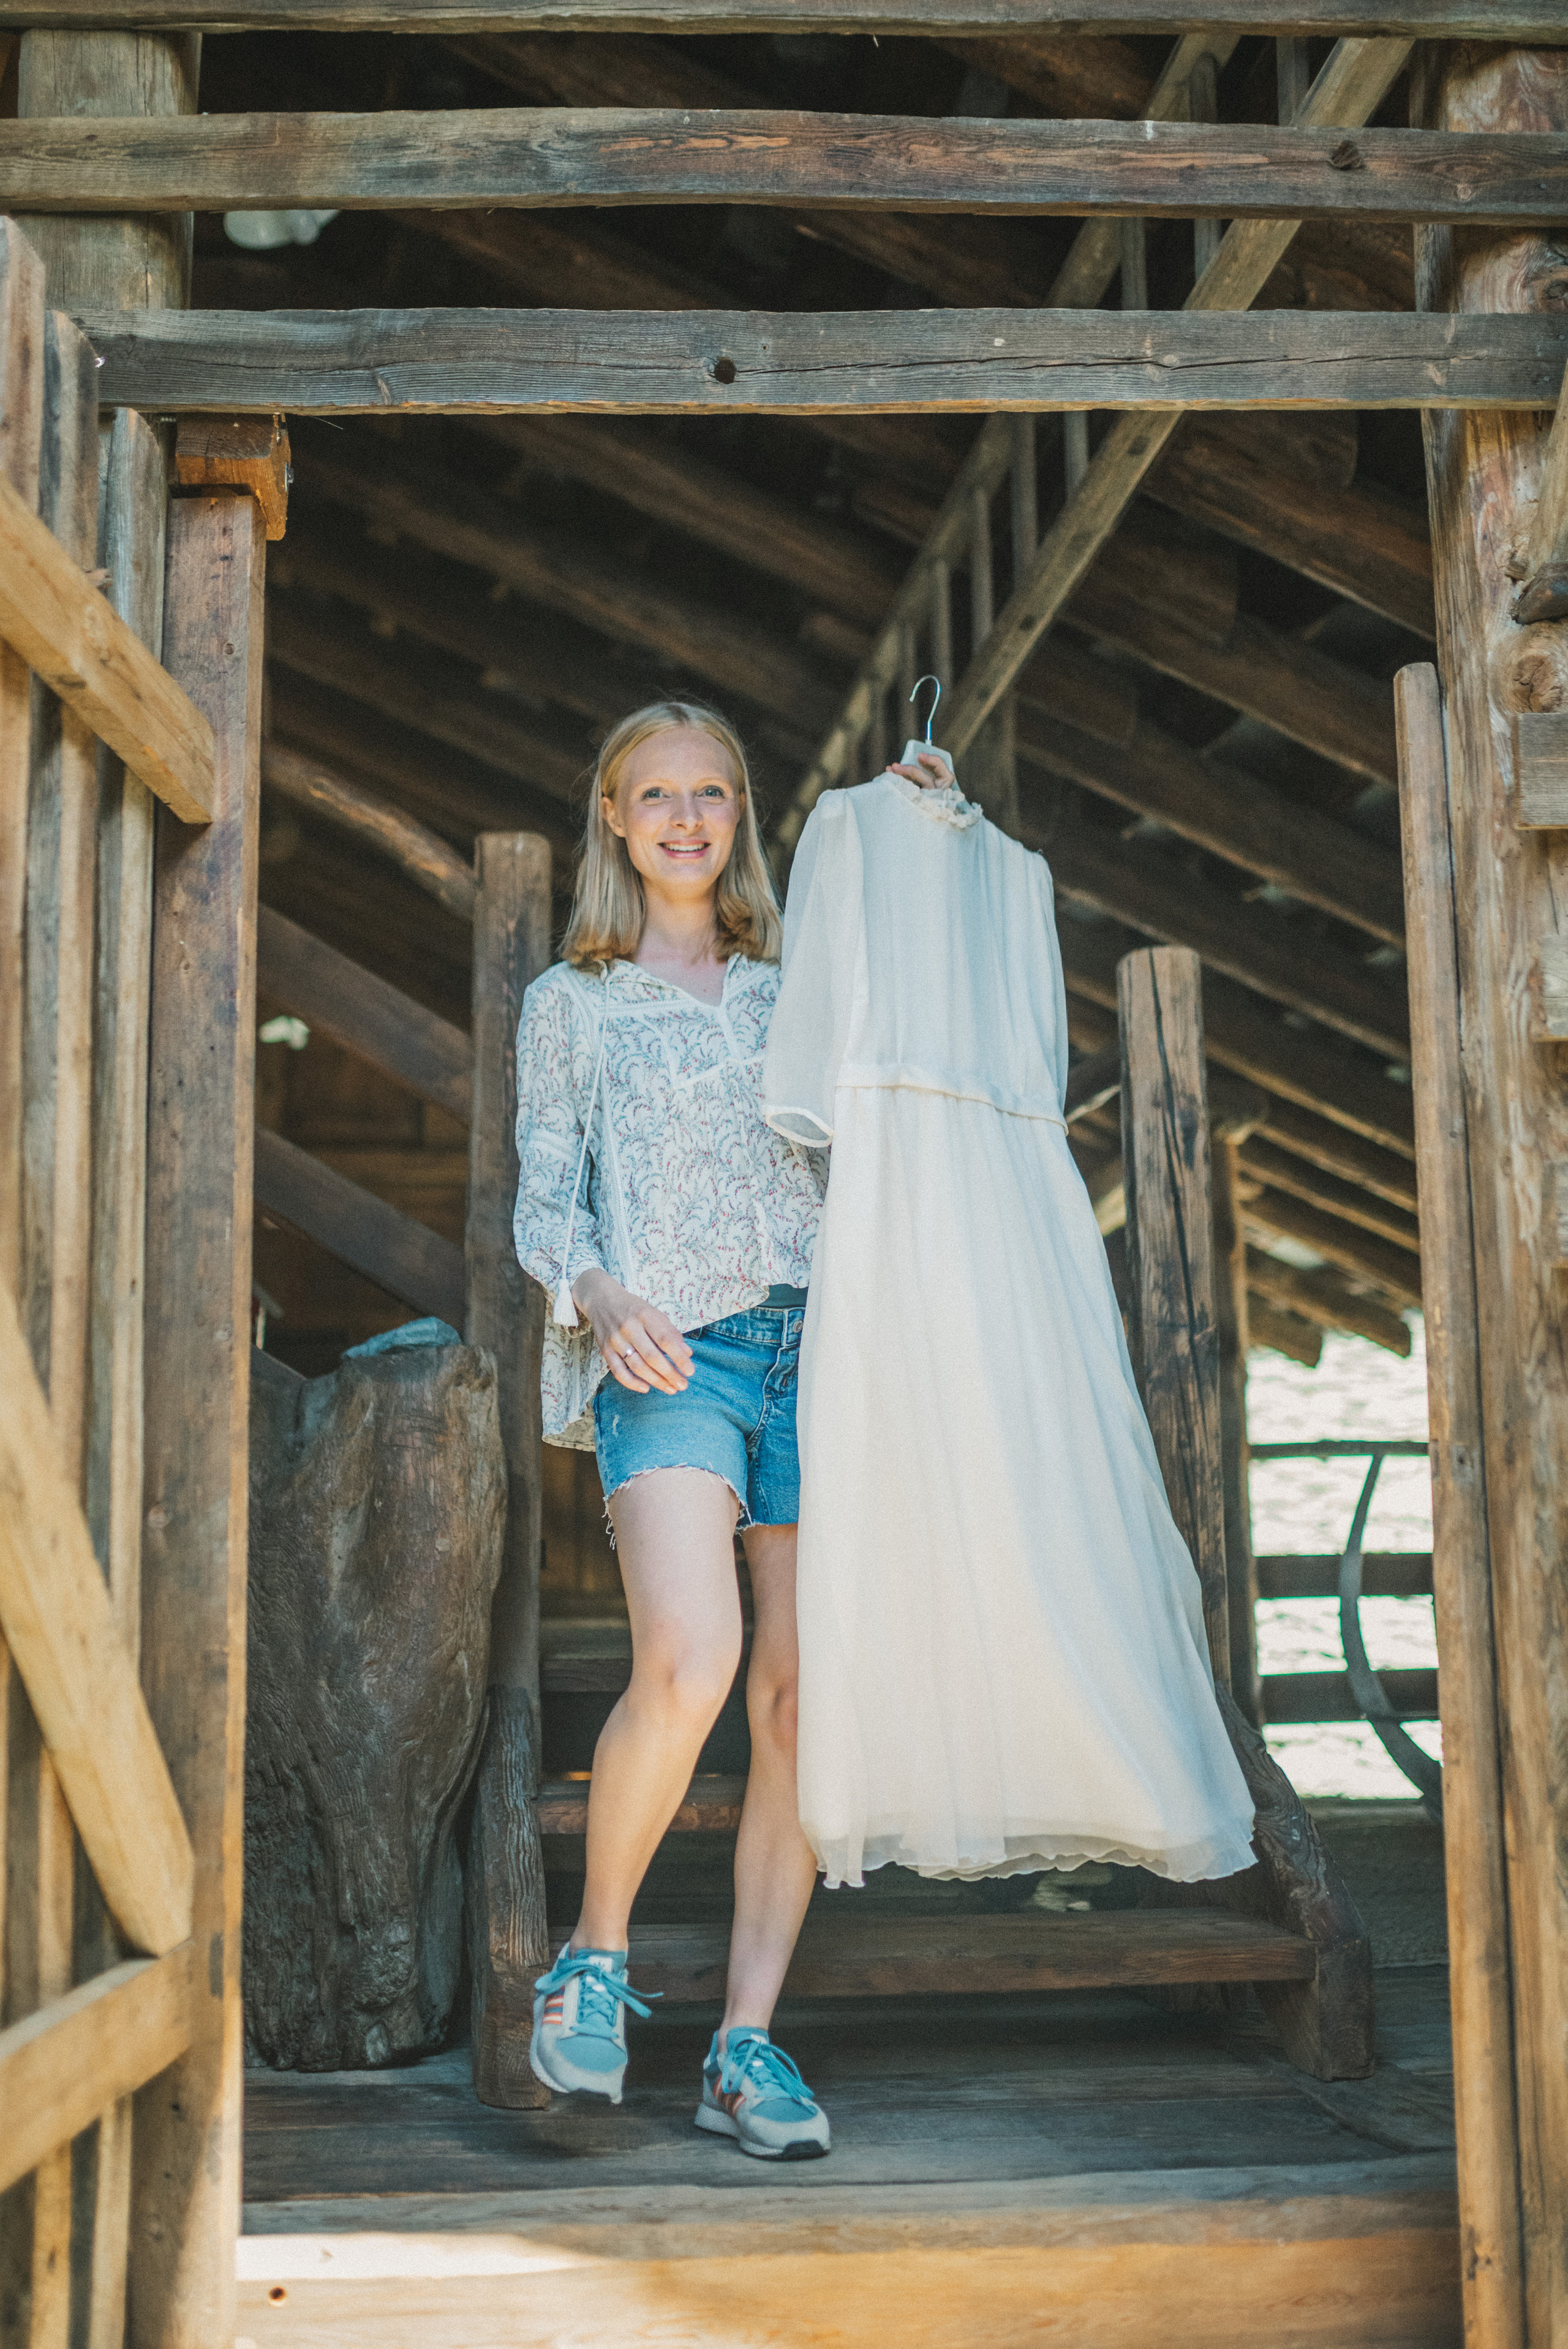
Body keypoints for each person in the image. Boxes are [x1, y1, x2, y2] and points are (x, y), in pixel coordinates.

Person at [513, 700, 945, 2157]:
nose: (686, 818)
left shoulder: (793, 984)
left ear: (740, 815)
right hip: (667, 1350)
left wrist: (910, 819)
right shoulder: (572, 1003)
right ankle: (592, 1959)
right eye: (656, 795)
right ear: (614, 818)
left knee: (797, 1701)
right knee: (690, 1659)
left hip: (821, 1354)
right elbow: (545, 1196)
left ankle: (742, 2047)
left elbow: (908, 1011)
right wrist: (594, 1290)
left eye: (710, 793)